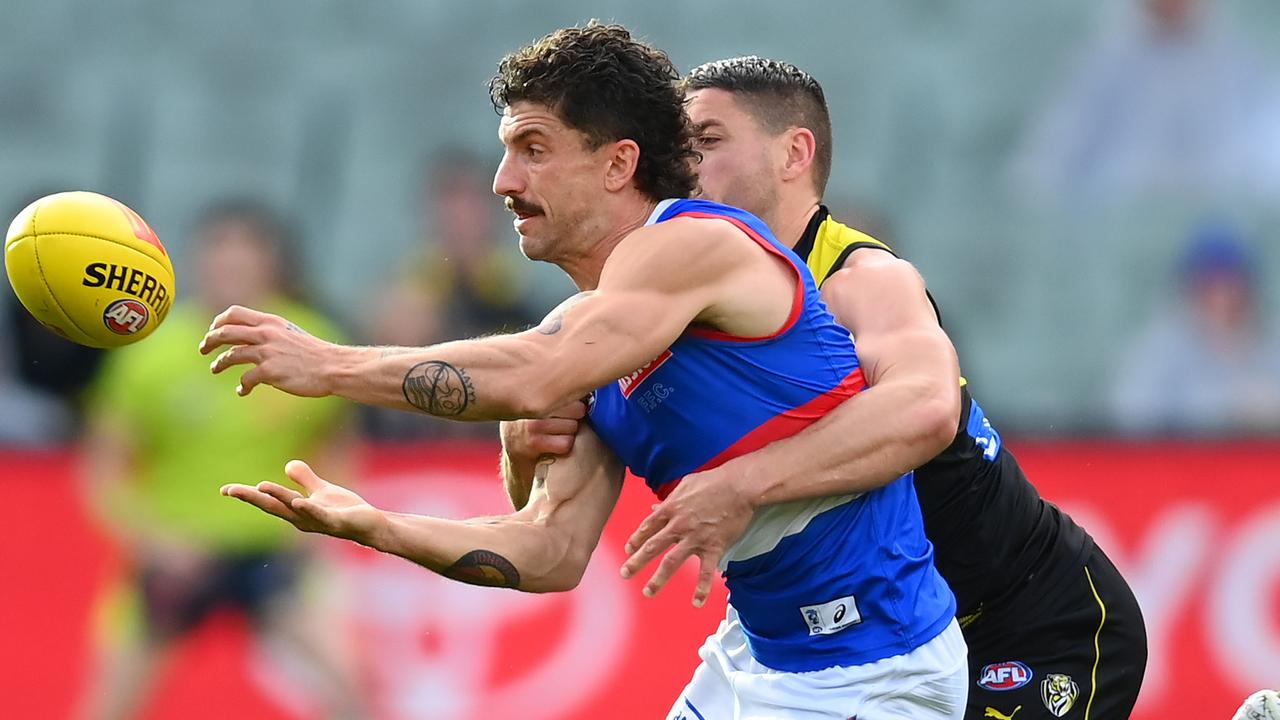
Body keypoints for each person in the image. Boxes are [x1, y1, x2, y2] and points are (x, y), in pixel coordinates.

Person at [203, 24, 968, 719]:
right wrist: (372, 524)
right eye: (506, 151)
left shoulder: (693, 243)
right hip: (757, 663)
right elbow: (549, 549)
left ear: (618, 165)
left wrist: (330, 364)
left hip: (875, 670)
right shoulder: (590, 335)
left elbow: (537, 372)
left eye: (533, 149)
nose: (505, 182)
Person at [501, 56, 1148, 720]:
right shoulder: (673, 295)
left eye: (708, 141)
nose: (683, 164)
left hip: (1030, 622)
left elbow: (928, 410)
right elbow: (551, 533)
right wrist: (525, 448)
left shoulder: (859, 277)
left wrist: (739, 485)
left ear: (794, 153)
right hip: (844, 639)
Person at [78, 200, 364, 720]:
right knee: (107, 708)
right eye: (219, 251)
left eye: (245, 251)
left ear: (272, 262)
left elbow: (341, 455)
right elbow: (102, 476)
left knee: (350, 691)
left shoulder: (314, 343)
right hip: (178, 557)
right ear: (196, 262)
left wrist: (314, 533)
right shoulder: (149, 353)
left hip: (271, 552)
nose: (231, 264)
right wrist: (155, 543)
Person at [1110, 221, 1280, 434]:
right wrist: (1228, 411)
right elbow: (1131, 420)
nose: (1223, 298)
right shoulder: (1160, 350)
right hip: (1180, 465)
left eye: (1232, 284)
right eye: (1212, 285)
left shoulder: (1270, 341)